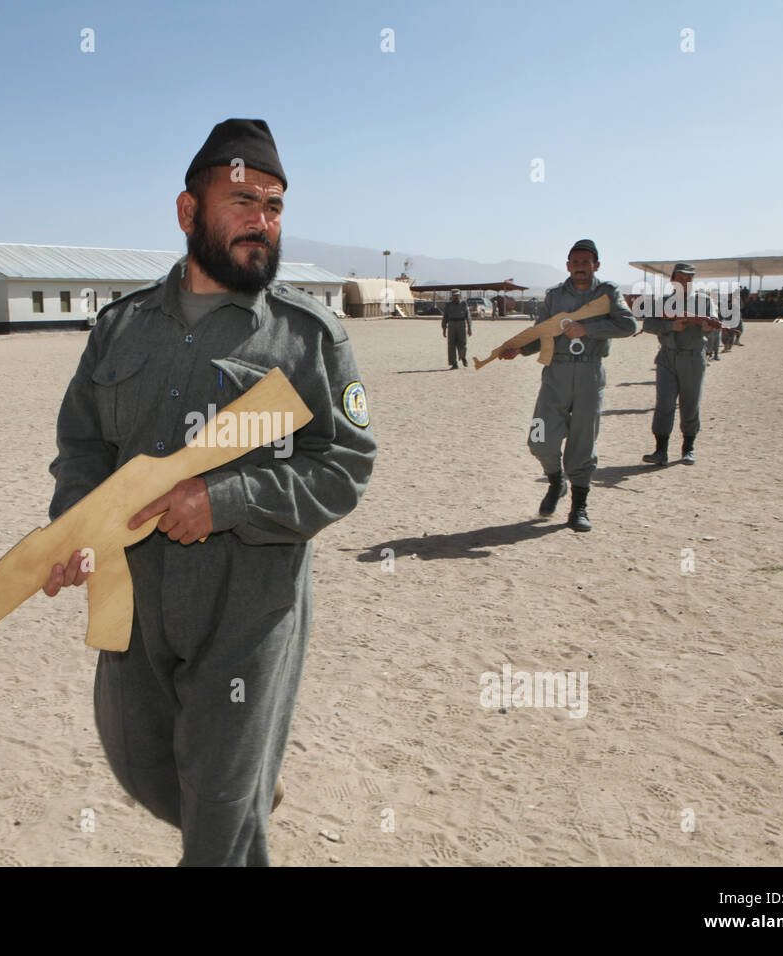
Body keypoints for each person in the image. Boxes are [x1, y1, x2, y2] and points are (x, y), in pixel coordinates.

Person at [43, 118, 375, 866]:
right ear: (189, 212)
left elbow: (344, 467)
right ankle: (249, 793)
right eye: (242, 200)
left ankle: (238, 800)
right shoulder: (120, 328)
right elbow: (82, 446)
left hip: (249, 608)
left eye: (276, 204)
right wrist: (75, 531)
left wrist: (223, 500)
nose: (263, 220)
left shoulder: (308, 337)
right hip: (134, 605)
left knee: (218, 823)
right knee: (140, 763)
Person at [498, 239, 637, 531]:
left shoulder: (608, 292)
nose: (580, 268)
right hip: (555, 374)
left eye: (586, 263)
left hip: (589, 373)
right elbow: (542, 332)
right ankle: (555, 479)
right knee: (539, 439)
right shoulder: (554, 296)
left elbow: (629, 326)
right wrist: (519, 349)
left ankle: (578, 506)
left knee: (583, 444)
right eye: (575, 263)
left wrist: (589, 329)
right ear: (568, 266)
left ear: (595, 265)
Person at [640, 264, 721, 465]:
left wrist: (706, 326)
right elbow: (648, 325)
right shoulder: (663, 302)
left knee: (690, 404)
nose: (685, 283)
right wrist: (670, 326)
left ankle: (688, 448)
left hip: (692, 358)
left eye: (689, 279)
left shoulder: (704, 302)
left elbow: (715, 325)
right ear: (672, 280)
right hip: (667, 356)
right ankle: (660, 450)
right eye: (681, 278)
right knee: (664, 405)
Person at [441, 295, 472, 368]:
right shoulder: (448, 305)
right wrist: (444, 329)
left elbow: (468, 317)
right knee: (451, 344)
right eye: (454, 296)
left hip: (461, 324)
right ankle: (454, 363)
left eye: (457, 296)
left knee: (462, 343)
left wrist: (469, 328)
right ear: (452, 296)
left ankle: (463, 357)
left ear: (460, 296)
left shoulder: (464, 304)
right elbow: (445, 317)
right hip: (451, 325)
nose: (456, 298)